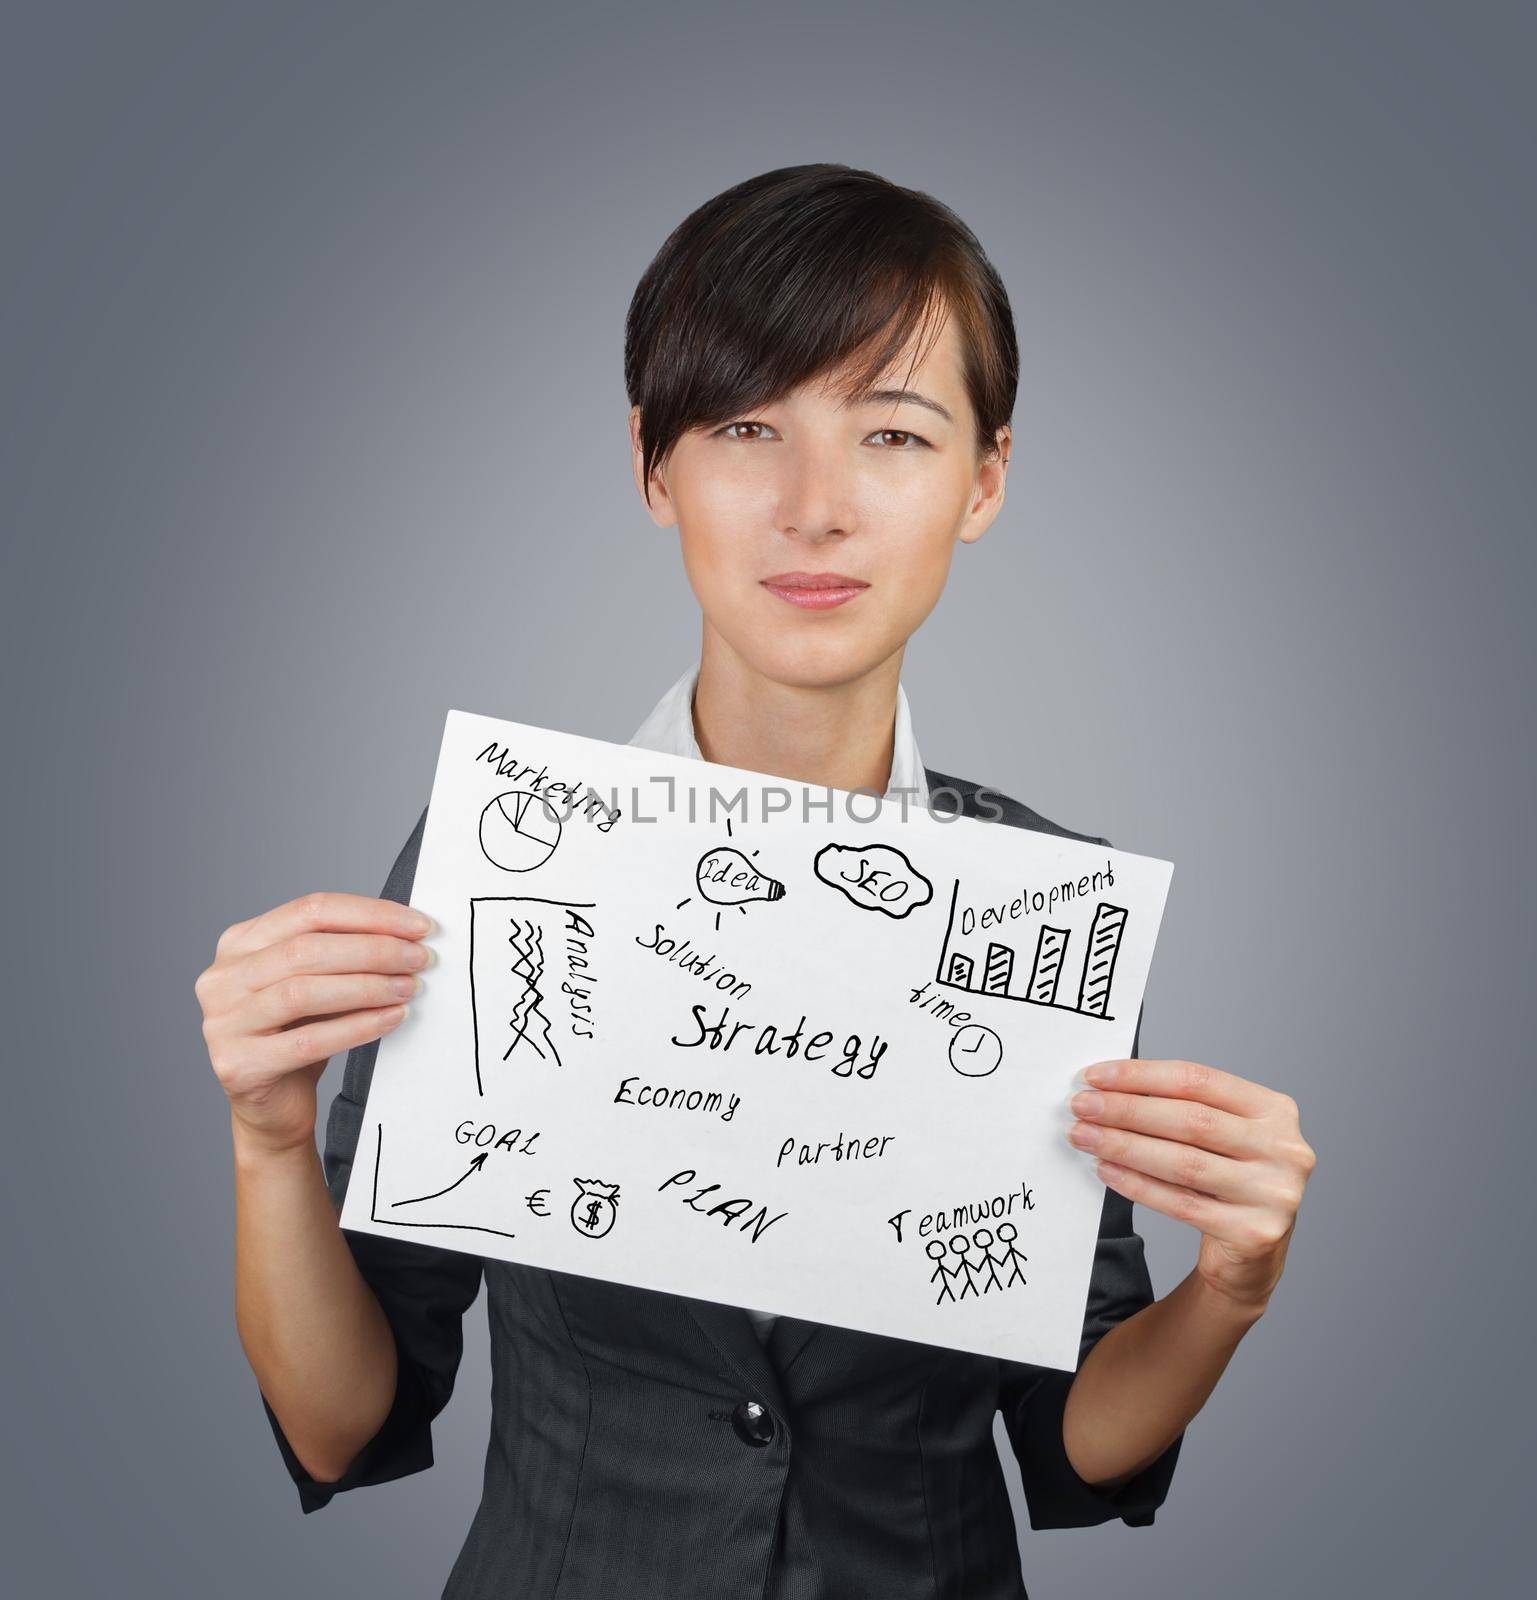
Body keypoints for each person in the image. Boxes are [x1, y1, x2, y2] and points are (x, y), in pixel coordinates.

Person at [196, 163, 1316, 1599]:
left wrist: (1230, 1291)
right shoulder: (492, 863)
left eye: (893, 435)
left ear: (982, 482)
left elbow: (1073, 1433)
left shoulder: (1037, 906)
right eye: (744, 427)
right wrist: (267, 1147)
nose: (814, 507)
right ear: (654, 467)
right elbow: (344, 1416)